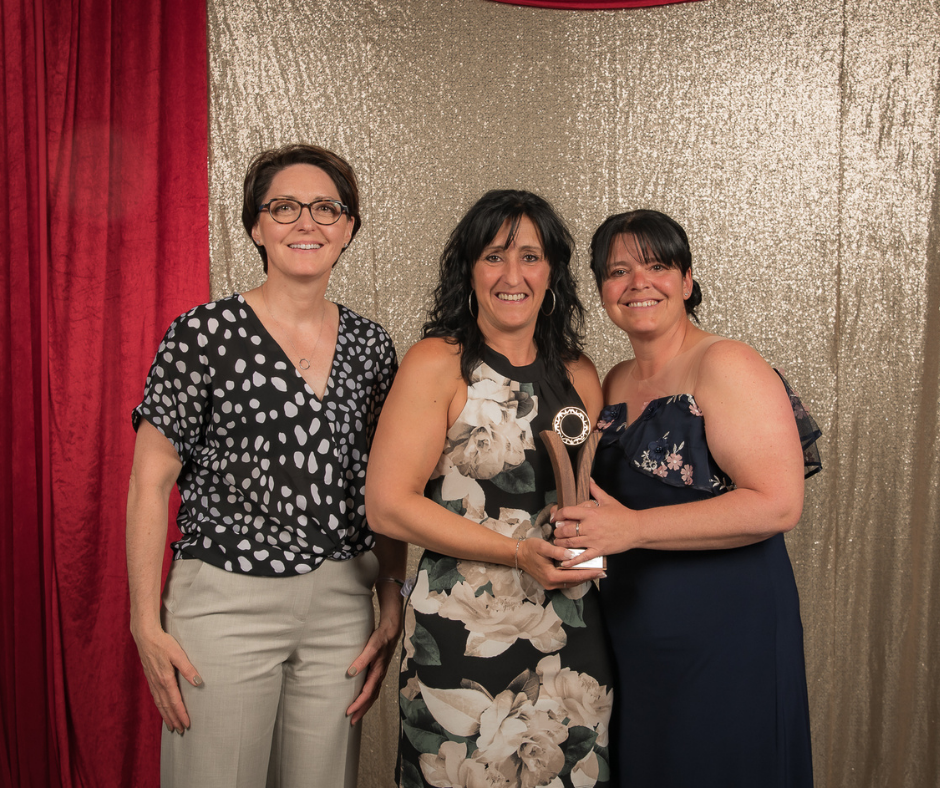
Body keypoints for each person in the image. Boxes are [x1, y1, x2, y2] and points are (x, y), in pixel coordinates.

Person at [126, 143, 405, 788]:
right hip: (225, 598)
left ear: (348, 228)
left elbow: (386, 486)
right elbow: (150, 481)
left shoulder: (371, 346)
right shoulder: (202, 334)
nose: (307, 222)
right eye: (284, 208)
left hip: (342, 601)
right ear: (257, 226)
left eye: (326, 209)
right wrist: (144, 620)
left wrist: (391, 595)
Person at [552, 209, 821, 787]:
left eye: (657, 266)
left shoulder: (726, 362)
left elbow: (779, 503)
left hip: (728, 629)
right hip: (634, 634)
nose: (638, 283)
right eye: (618, 271)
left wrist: (631, 529)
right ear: (602, 290)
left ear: (687, 280)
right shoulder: (613, 380)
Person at [366, 190, 615, 788]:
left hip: (572, 630)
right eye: (494, 256)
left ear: (551, 272)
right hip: (465, 629)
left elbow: (590, 496)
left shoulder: (579, 372)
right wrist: (516, 551)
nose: (512, 275)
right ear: (469, 269)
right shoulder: (437, 362)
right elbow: (388, 505)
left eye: (529, 256)